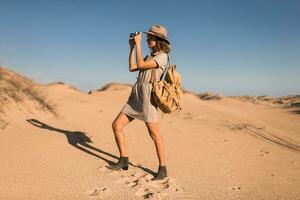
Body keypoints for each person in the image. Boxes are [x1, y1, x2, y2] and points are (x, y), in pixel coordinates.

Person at [108, 25, 171, 181]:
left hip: (148, 98)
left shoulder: (162, 56)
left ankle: (162, 169)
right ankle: (123, 160)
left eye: (151, 37)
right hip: (136, 96)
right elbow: (132, 67)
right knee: (116, 125)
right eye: (148, 37)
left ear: (159, 39)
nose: (148, 39)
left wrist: (137, 44)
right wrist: (131, 47)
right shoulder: (150, 55)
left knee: (155, 135)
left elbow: (141, 65)